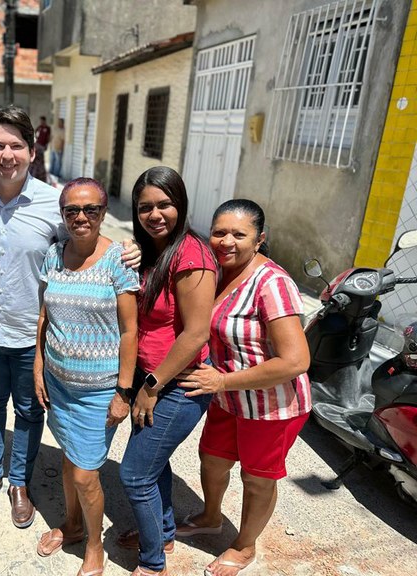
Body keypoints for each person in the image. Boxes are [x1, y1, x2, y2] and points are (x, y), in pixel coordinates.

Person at [0, 106, 140, 530]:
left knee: (27, 410)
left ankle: (18, 483)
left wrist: (131, 250)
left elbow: (87, 239)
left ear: (32, 150)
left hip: (30, 333)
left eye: (16, 146)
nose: (8, 154)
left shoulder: (51, 203)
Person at [177, 199, 311, 576]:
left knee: (257, 477)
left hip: (272, 405)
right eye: (219, 232)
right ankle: (210, 516)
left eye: (240, 234)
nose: (227, 241)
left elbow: (296, 361)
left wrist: (221, 379)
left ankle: (245, 544)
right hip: (228, 397)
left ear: (259, 239)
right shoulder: (219, 271)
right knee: (213, 459)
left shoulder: (272, 284)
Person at [34, 178, 139, 576]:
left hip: (99, 391)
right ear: (62, 215)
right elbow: (45, 317)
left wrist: (123, 393)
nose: (80, 217)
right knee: (68, 458)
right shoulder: (54, 255)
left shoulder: (118, 261)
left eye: (90, 210)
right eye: (71, 211)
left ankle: (94, 546)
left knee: (84, 472)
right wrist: (38, 366)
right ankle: (73, 525)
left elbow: (131, 331)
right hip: (59, 384)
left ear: (102, 212)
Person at [118, 166, 217, 576]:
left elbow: (195, 334)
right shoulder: (154, 249)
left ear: (181, 204)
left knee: (134, 474)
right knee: (153, 462)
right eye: (145, 208)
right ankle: (162, 532)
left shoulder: (191, 254)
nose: (155, 214)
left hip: (177, 383)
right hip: (152, 377)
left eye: (165, 205)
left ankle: (152, 563)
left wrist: (152, 386)